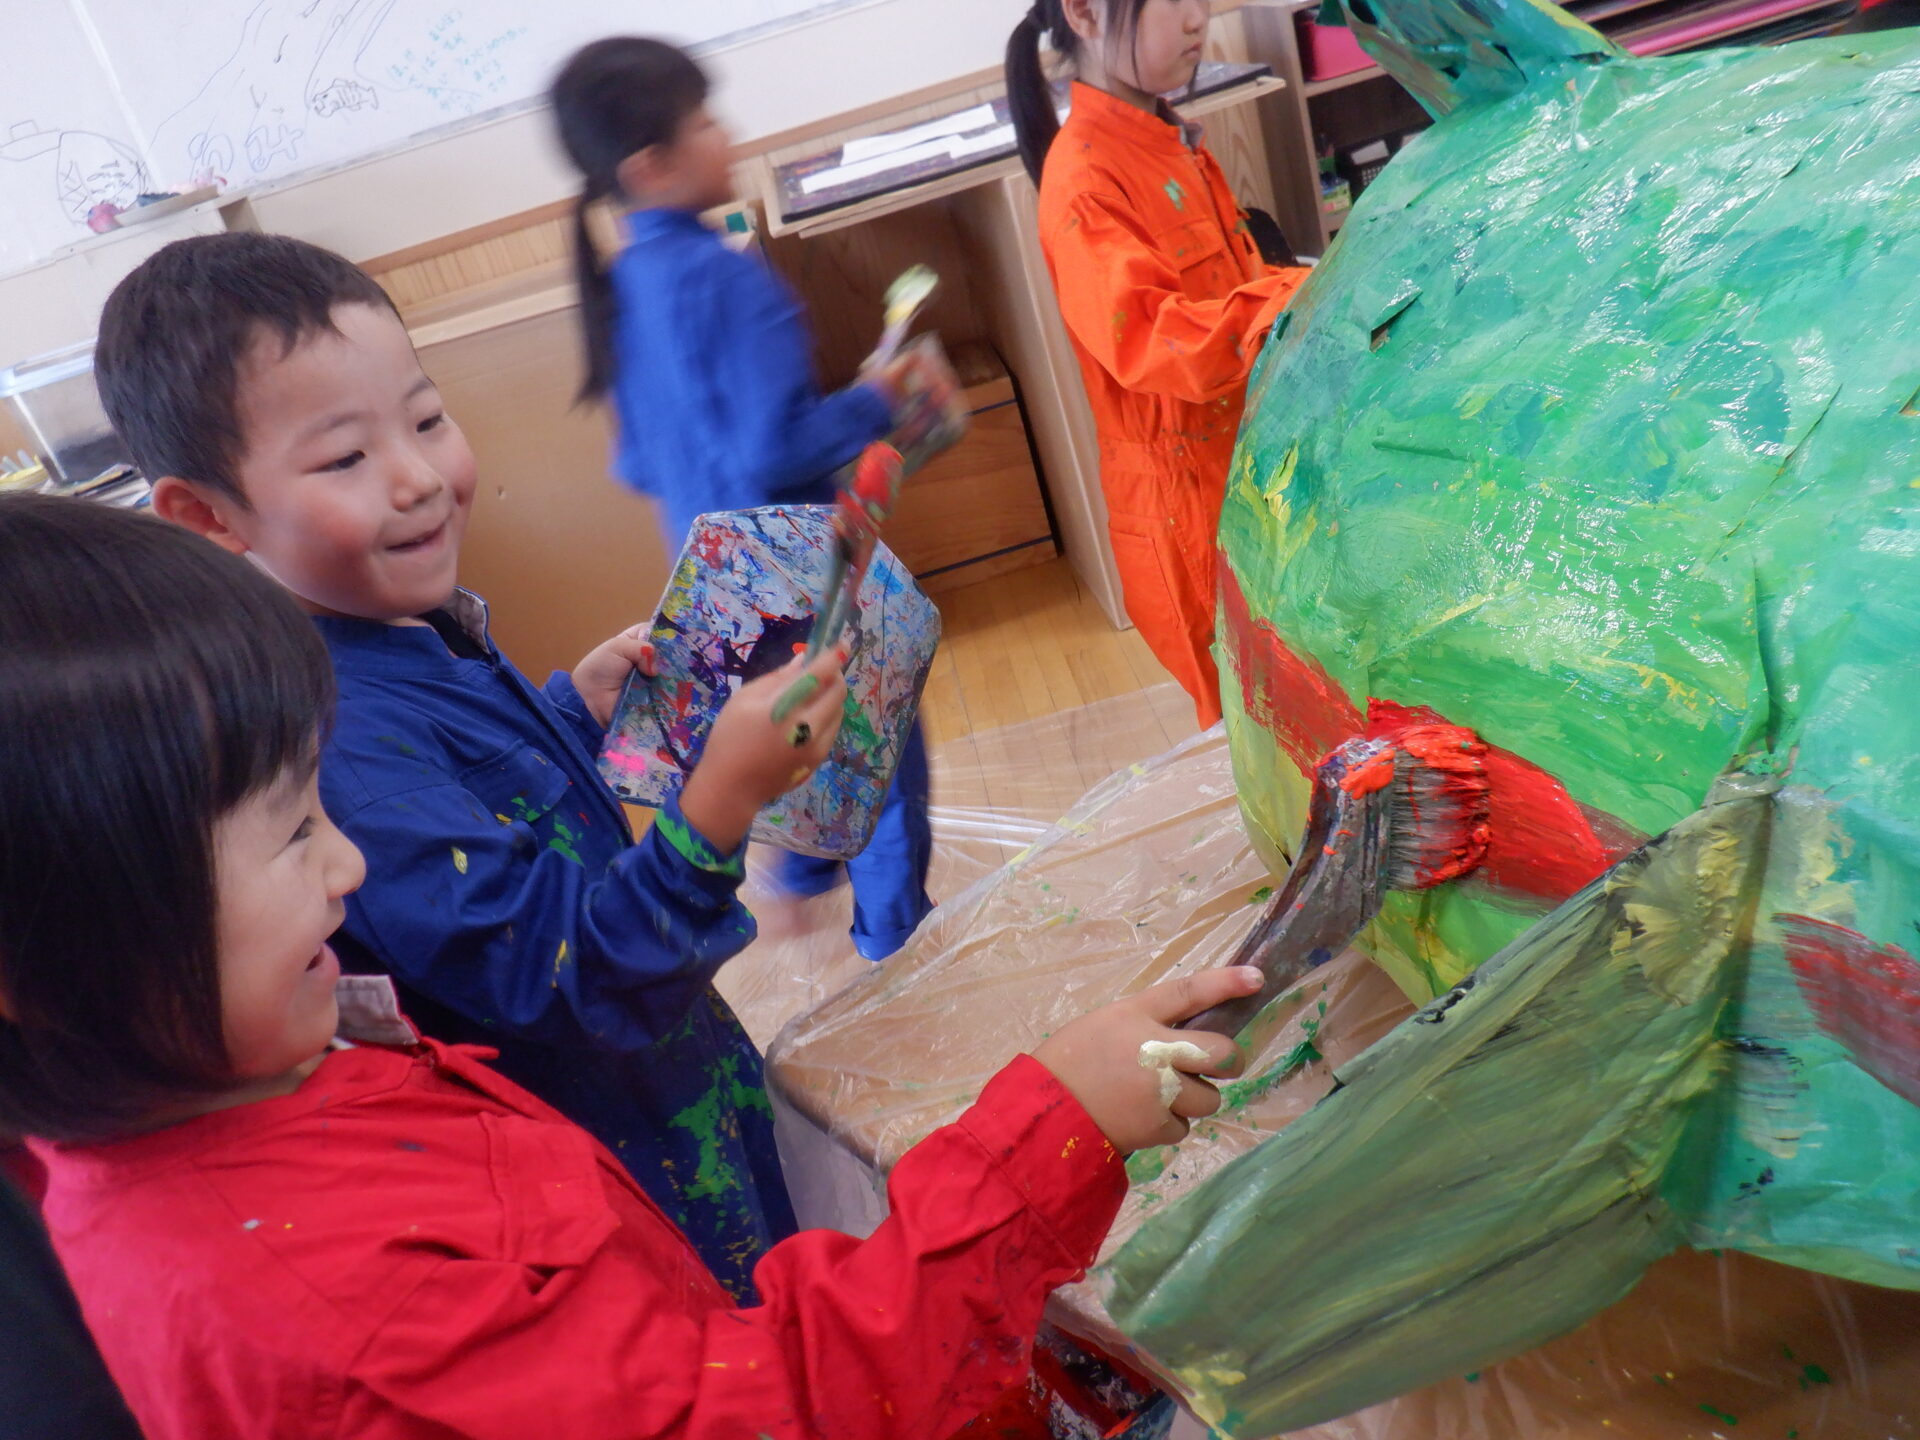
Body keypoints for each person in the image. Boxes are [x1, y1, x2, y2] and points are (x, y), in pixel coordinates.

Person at [0, 491, 1260, 1440]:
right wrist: (1050, 1136)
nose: (348, 866)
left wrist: (564, 716)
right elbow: (766, 1409)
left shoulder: (243, 1059)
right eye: (290, 834)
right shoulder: (346, 1312)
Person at [95, 232, 850, 1299]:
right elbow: (573, 980)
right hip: (624, 1181)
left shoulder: (397, 627)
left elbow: (480, 810)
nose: (417, 479)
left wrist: (574, 711)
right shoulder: (335, 742)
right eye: (344, 459)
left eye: (425, 419)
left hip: (681, 1083)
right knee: (757, 1339)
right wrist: (721, 801)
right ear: (205, 516)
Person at [549, 37, 935, 963]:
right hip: (806, 576)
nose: (727, 137)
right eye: (705, 123)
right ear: (651, 166)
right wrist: (879, 396)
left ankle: (796, 885)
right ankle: (901, 951)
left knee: (802, 744)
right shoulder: (725, 274)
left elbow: (638, 463)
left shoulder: (622, 286)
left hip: (713, 586)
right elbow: (775, 447)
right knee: (882, 764)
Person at [1007, 0, 1312, 728]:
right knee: (1264, 734)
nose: (1196, 19)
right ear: (1085, 13)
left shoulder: (1170, 139)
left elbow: (1237, 283)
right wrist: (1304, 296)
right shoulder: (1083, 181)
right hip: (1191, 516)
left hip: (1249, 468)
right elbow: (1151, 338)